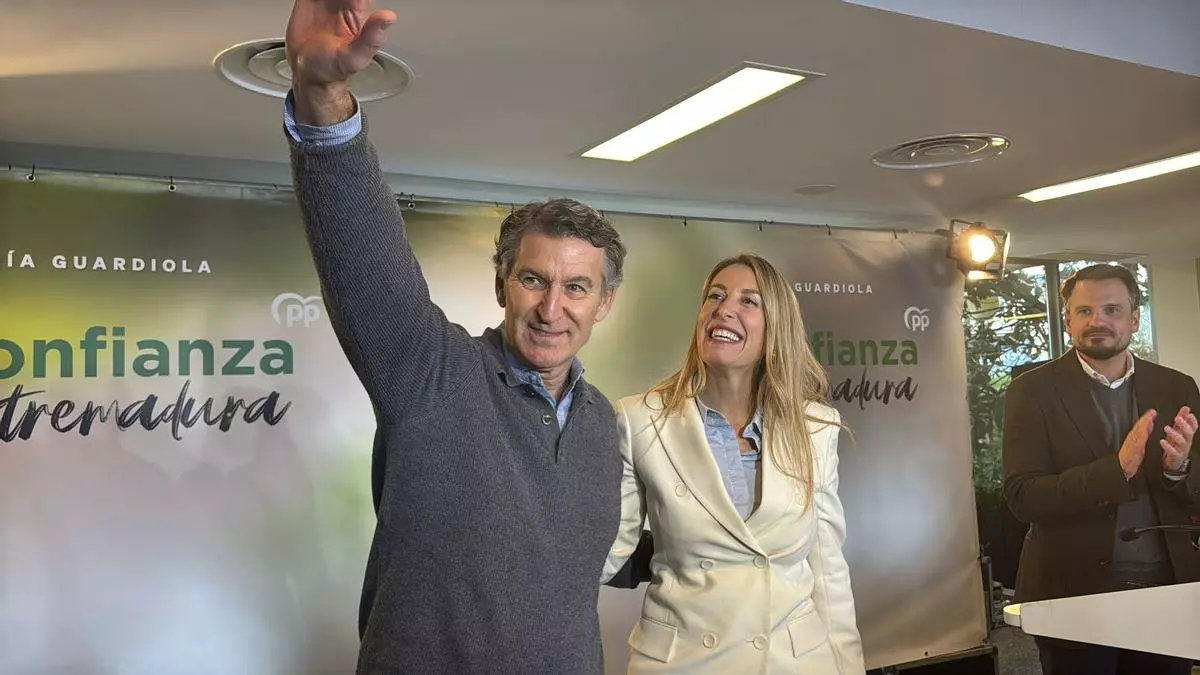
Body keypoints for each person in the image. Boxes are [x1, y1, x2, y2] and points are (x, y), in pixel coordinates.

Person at [282, 1, 629, 672]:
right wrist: (322, 97)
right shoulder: (431, 375)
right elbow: (366, 258)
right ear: (502, 284)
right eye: (534, 279)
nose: (551, 308)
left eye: (577, 287)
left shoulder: (599, 423)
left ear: (604, 303)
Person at [601, 253, 864, 673]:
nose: (724, 309)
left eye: (749, 301)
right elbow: (606, 551)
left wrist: (848, 667)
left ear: (776, 327)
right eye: (715, 296)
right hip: (684, 663)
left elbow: (828, 571)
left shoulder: (817, 427)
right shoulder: (640, 420)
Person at [1003, 263, 1200, 675]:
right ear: (1068, 321)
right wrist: (1116, 470)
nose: (1098, 321)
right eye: (1085, 311)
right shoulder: (1031, 391)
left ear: (1135, 318)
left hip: (1165, 590)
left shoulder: (1177, 386)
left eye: (1112, 310)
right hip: (1071, 594)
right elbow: (1024, 496)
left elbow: (1193, 492)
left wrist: (1178, 469)